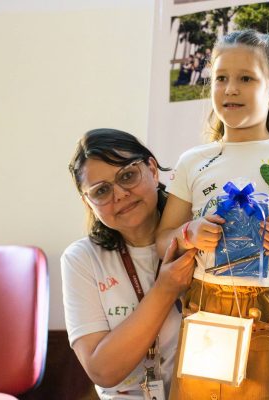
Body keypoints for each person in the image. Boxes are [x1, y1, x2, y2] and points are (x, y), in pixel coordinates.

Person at [156, 29, 269, 399]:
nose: (230, 89)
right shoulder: (192, 161)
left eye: (246, 79)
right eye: (221, 78)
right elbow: (162, 240)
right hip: (205, 305)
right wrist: (190, 233)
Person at [61, 128, 198, 400]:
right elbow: (102, 371)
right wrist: (165, 289)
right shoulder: (81, 259)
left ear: (152, 170)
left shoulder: (196, 235)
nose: (120, 194)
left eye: (127, 176)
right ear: (88, 203)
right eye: (101, 191)